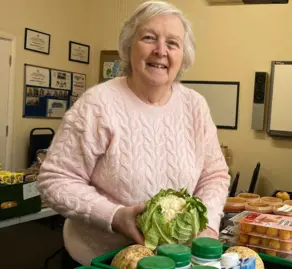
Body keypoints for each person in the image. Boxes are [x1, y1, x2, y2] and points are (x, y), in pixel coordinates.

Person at [37, 1, 231, 266]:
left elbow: (214, 175)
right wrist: (115, 216)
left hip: (175, 261)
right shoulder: (98, 104)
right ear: (129, 47)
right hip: (100, 259)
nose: (160, 51)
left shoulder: (194, 106)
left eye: (172, 43)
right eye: (149, 38)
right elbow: (54, 180)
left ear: (183, 55)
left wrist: (207, 225)